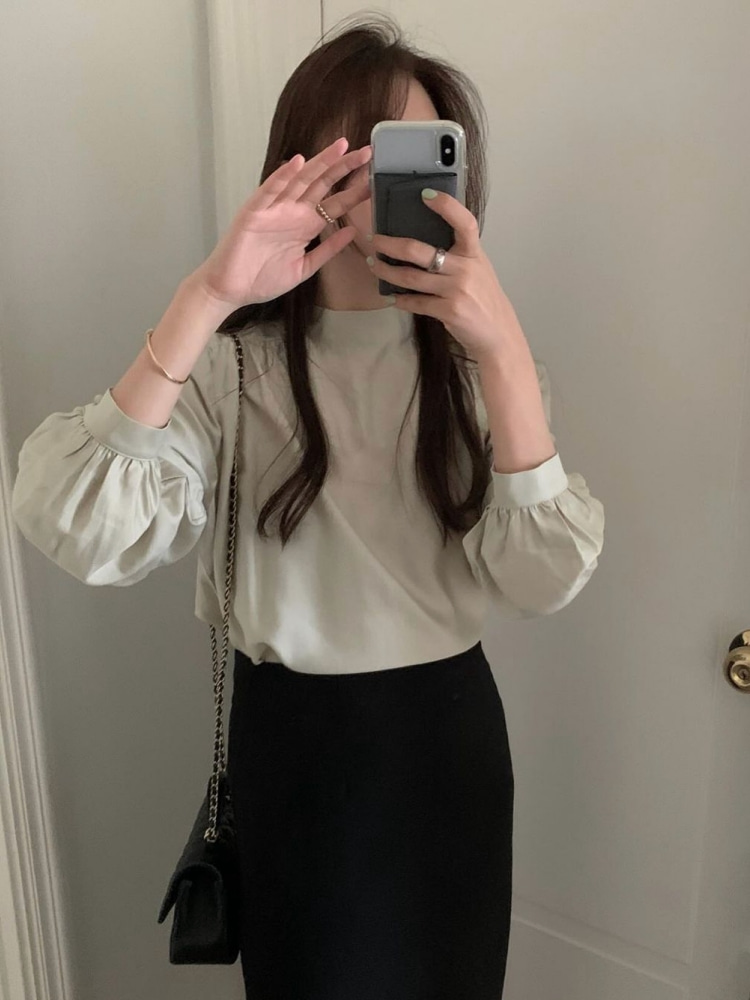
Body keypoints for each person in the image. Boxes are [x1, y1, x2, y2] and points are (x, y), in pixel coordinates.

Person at [10, 13, 605, 1000]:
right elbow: (74, 524)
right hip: (293, 750)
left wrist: (500, 349)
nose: (379, 183)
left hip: (444, 745)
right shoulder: (230, 370)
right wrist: (209, 293)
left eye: (410, 154)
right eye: (353, 152)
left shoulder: (478, 373)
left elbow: (543, 578)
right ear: (298, 166)